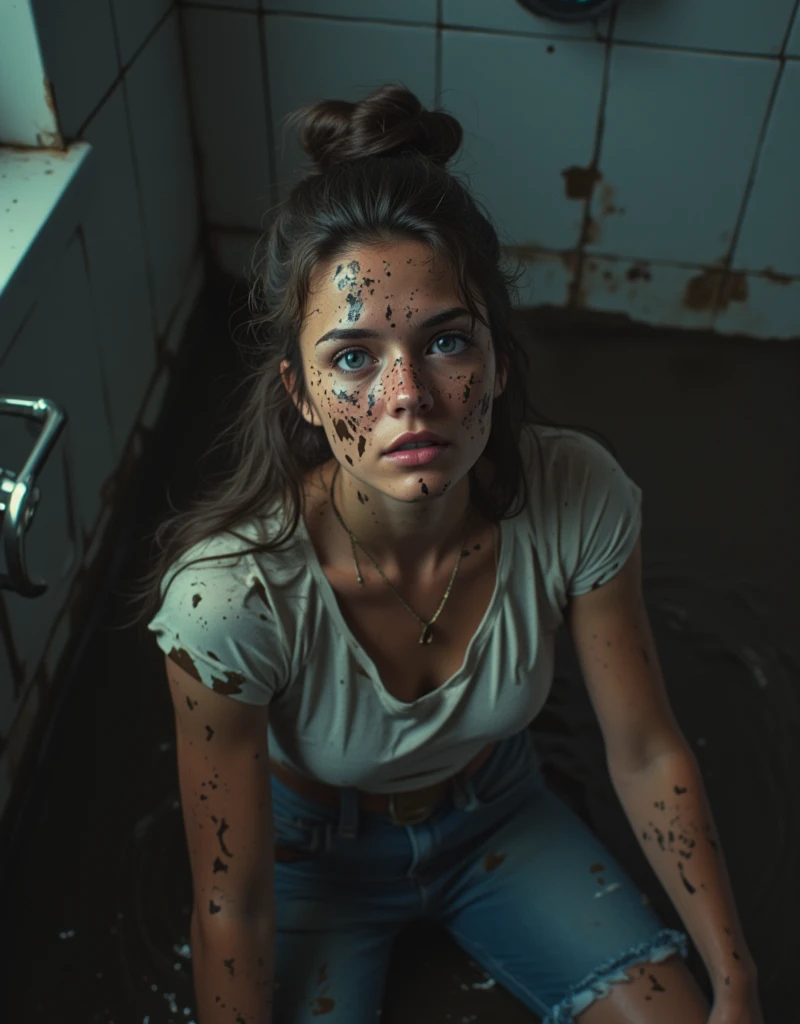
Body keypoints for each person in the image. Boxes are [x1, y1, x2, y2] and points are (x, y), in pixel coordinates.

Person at [125, 84, 762, 1024]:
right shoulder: (230, 601)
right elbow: (233, 899)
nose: (409, 396)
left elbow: (645, 748)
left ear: (497, 361)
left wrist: (738, 981)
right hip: (314, 862)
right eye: (351, 358)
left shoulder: (575, 494)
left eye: (446, 342)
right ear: (298, 392)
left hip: (501, 813)